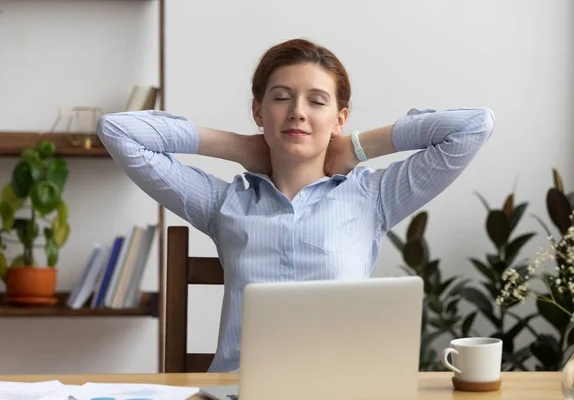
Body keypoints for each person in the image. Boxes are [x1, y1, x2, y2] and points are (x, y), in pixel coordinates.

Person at [96, 38, 495, 373]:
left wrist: (357, 146)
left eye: (317, 102)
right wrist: (239, 147)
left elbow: (473, 126)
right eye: (281, 98)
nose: (297, 112)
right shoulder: (224, 203)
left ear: (340, 118)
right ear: (258, 111)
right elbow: (117, 131)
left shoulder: (374, 197)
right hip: (238, 392)